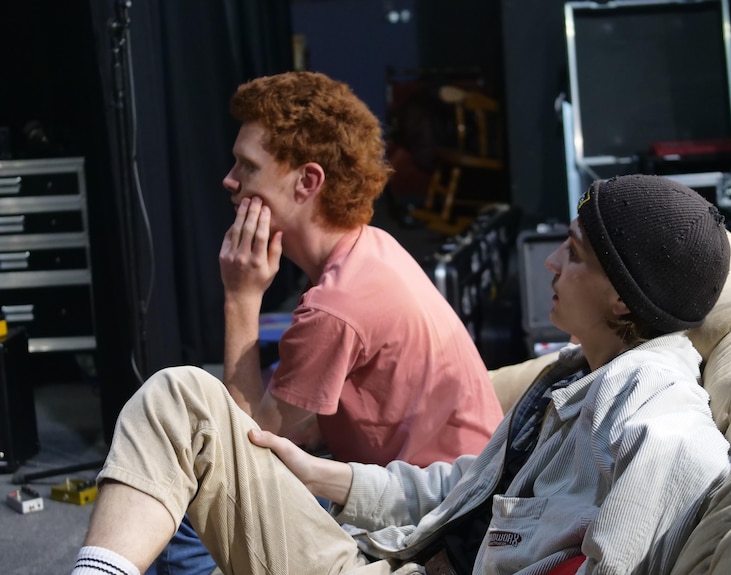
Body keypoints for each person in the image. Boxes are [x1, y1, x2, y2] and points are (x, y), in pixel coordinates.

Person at [72, 174, 731, 575]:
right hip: (395, 554)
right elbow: (467, 488)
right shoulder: (575, 370)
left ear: (622, 297)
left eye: (578, 254)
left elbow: (684, 450)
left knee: (184, 402)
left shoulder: (652, 390)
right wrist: (321, 474)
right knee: (182, 394)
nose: (553, 263)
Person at [145, 70, 504, 575]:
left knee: (197, 493)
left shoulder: (336, 306)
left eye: (247, 166)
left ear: (307, 182)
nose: (229, 180)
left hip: (425, 520)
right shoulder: (371, 248)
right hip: (449, 493)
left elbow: (246, 448)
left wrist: (241, 298)